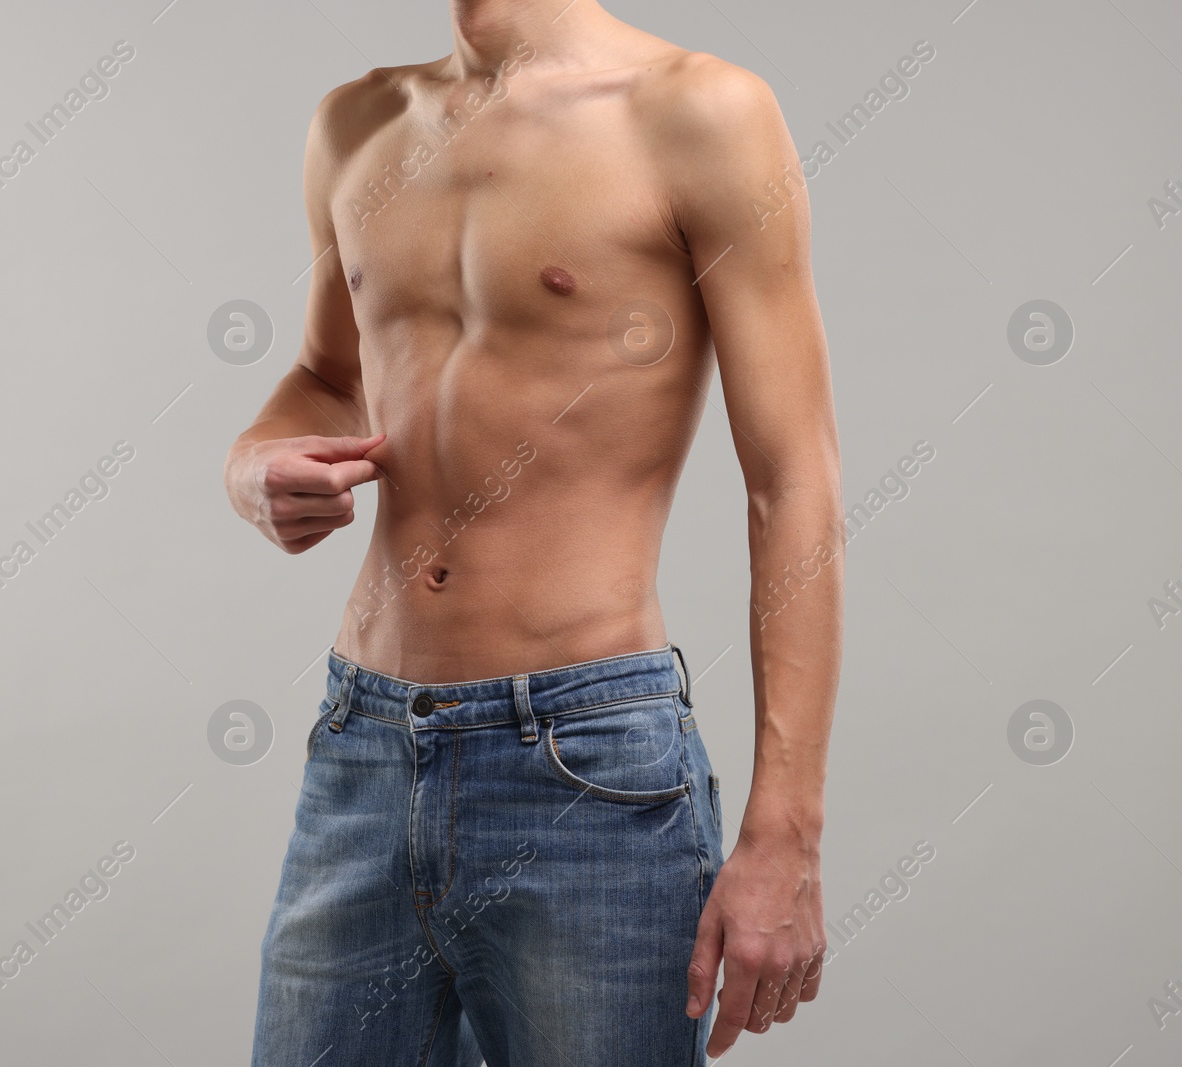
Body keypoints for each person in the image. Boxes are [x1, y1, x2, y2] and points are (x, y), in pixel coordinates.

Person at [226, 0, 842, 1062]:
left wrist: (785, 831)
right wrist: (254, 462)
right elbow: (327, 378)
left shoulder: (698, 113)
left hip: (584, 764)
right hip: (363, 749)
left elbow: (794, 482)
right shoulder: (358, 122)